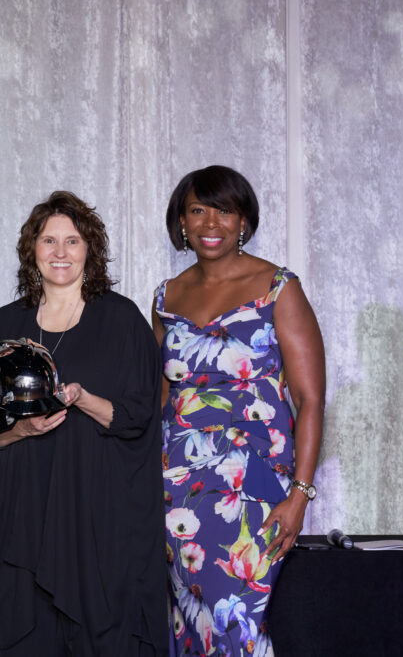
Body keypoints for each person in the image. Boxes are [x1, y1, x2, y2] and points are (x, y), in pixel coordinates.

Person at [0, 191, 167, 656]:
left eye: (72, 241)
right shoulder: (6, 322)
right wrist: (21, 430)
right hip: (20, 514)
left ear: (89, 250)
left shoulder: (121, 320)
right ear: (32, 251)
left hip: (95, 519)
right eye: (48, 240)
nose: (60, 252)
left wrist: (83, 399)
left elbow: (139, 416)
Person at [153, 165, 325, 657]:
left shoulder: (278, 287)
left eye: (224, 210)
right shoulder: (166, 298)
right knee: (189, 628)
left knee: (237, 625)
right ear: (181, 222)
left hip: (251, 488)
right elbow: (161, 399)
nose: (211, 222)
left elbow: (310, 399)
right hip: (176, 490)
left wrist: (300, 495)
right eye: (198, 210)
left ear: (244, 220)